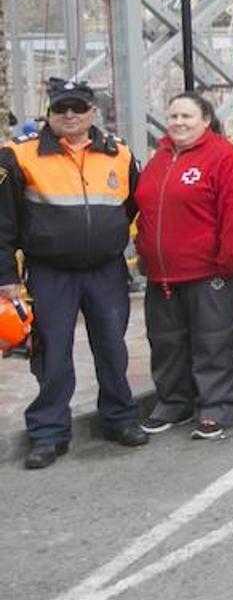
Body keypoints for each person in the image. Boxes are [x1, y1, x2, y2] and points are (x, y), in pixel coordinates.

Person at [0, 78, 146, 470]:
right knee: (53, 353)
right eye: (61, 108)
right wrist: (5, 279)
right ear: (49, 111)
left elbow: (132, 206)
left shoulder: (119, 154)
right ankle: (48, 433)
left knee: (113, 348)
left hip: (106, 271)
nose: (69, 115)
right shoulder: (18, 156)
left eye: (78, 108)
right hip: (50, 273)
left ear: (92, 112)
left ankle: (120, 419)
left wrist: (106, 239)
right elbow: (2, 224)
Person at [135, 93, 233, 441]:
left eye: (187, 116)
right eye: (173, 116)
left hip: (211, 274)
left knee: (213, 342)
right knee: (166, 342)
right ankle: (173, 403)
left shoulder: (226, 158)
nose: (178, 122)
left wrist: (229, 265)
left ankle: (215, 407)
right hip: (163, 275)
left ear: (206, 119)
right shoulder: (159, 159)